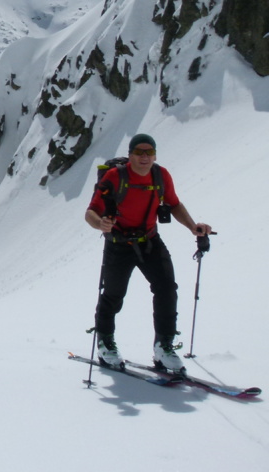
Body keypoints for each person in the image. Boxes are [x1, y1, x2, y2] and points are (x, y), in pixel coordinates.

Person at [84, 133, 212, 373]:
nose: (145, 157)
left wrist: (193, 227)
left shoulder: (160, 175)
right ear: (130, 155)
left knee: (166, 289)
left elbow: (173, 204)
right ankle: (105, 341)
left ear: (154, 155)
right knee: (113, 294)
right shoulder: (114, 177)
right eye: (139, 152)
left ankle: (163, 345)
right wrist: (99, 223)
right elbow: (91, 211)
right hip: (119, 244)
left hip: (150, 241)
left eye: (149, 152)